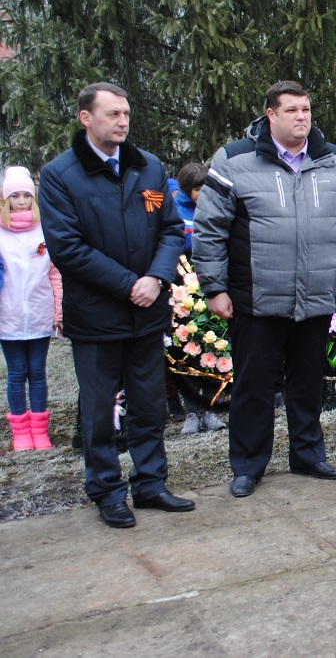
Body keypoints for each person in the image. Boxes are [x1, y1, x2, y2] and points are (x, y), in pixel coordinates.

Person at [193, 80, 336, 497]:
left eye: (306, 109)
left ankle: (308, 454)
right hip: (256, 299)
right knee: (254, 386)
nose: (301, 117)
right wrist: (214, 288)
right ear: (270, 115)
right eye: (291, 110)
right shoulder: (234, 160)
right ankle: (248, 465)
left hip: (316, 297)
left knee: (308, 383)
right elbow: (209, 230)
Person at [40, 82, 191, 528]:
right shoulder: (60, 175)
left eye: (126, 114)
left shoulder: (148, 167)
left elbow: (170, 229)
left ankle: (151, 484)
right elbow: (67, 248)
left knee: (149, 404)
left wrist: (156, 277)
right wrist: (130, 285)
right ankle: (106, 490)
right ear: (86, 118)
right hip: (96, 315)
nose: (123, 122)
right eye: (113, 114)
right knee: (100, 409)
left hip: (147, 311)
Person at [0, 167, 62, 450]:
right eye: (15, 196)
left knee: (37, 372)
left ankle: (40, 430)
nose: (22, 201)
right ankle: (21, 433)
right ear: (6, 199)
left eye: (26, 195)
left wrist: (58, 311)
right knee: (16, 373)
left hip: (39, 313)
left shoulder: (44, 229)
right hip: (8, 316)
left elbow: (55, 274)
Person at [167, 162, 226, 435]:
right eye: (198, 189)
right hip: (182, 287)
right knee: (188, 351)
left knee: (215, 348)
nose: (203, 194)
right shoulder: (174, 210)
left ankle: (212, 408)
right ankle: (191, 411)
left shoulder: (215, 207)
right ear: (185, 188)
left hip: (212, 282)